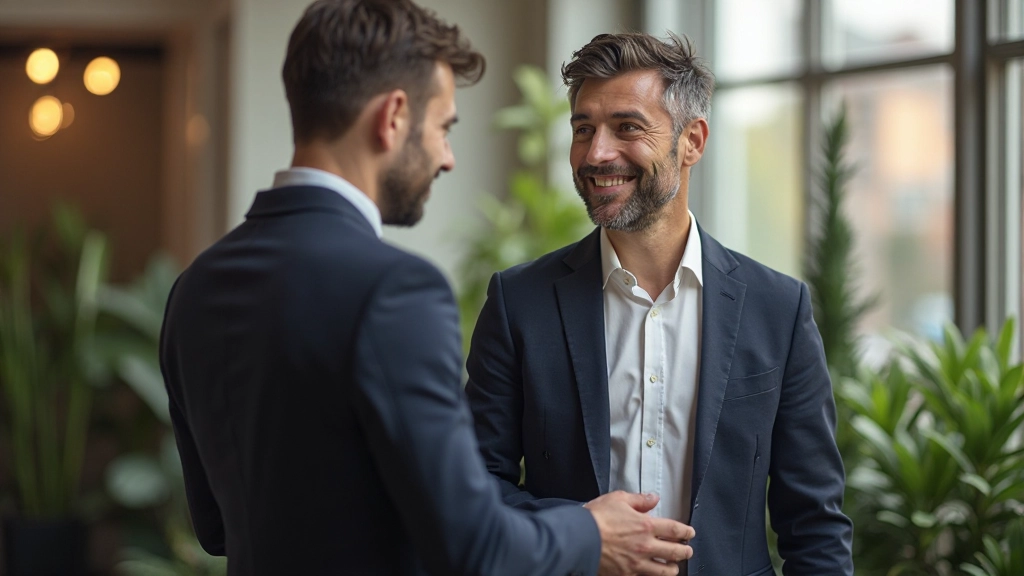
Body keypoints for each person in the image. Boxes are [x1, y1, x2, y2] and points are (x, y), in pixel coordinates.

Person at [159, 3, 696, 575]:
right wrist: (590, 531)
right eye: (443, 127)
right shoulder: (396, 290)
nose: (446, 157)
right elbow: (471, 545)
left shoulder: (194, 288)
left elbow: (216, 526)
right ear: (392, 117)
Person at [465, 32, 855, 575]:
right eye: (583, 129)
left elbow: (814, 525)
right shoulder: (518, 302)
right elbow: (474, 490)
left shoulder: (778, 309)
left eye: (627, 127)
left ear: (692, 140)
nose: (597, 153)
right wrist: (581, 534)